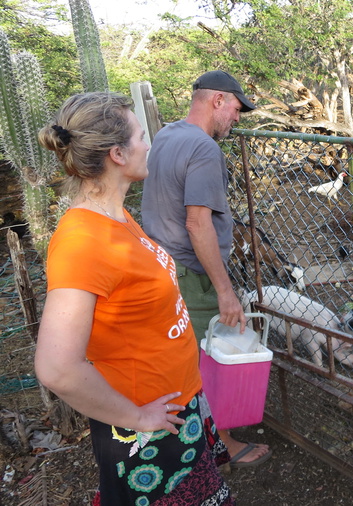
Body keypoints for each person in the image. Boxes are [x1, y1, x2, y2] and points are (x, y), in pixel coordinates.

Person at [35, 92, 235, 505]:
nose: (150, 143)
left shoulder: (117, 216)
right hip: (147, 430)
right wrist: (139, 417)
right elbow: (56, 367)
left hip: (175, 409)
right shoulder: (82, 242)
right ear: (118, 154)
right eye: (142, 136)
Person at [141, 70, 271, 468]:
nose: (237, 117)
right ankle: (221, 445)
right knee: (206, 360)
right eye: (236, 108)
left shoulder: (166, 135)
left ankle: (195, 439)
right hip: (190, 273)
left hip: (161, 264)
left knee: (179, 357)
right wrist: (224, 290)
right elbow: (197, 223)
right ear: (217, 100)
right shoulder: (204, 149)